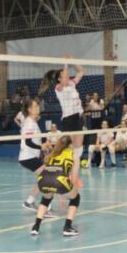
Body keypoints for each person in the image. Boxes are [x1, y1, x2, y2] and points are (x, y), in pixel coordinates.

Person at [40, 57, 84, 188]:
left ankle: (74, 178)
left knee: (78, 151)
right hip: (69, 119)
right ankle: (55, 168)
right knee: (65, 149)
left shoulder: (72, 84)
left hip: (79, 117)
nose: (67, 76)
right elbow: (64, 80)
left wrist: (72, 60)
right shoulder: (59, 88)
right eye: (64, 75)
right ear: (59, 78)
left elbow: (81, 71)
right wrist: (65, 63)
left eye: (67, 75)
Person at [30, 135, 81, 237]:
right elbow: (74, 179)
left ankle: (35, 227)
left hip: (43, 179)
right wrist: (64, 195)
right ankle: (67, 227)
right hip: (59, 179)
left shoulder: (52, 154)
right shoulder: (74, 155)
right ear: (70, 144)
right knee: (76, 198)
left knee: (45, 199)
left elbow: (41, 171)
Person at [19, 98, 52, 212]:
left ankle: (30, 201)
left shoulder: (33, 122)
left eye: (38, 106)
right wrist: (41, 147)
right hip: (27, 157)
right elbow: (28, 142)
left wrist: (44, 146)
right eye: (35, 106)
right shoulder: (29, 123)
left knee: (44, 176)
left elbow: (35, 140)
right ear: (29, 109)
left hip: (32, 156)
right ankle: (44, 205)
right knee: (46, 176)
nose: (38, 108)